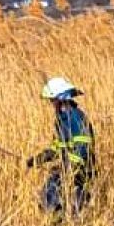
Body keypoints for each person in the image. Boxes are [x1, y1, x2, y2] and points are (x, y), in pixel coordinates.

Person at [27, 77, 96, 215]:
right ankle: (57, 225)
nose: (52, 104)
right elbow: (57, 148)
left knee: (71, 206)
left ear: (61, 98)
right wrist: (39, 159)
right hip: (68, 169)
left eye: (53, 100)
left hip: (81, 172)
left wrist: (71, 167)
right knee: (49, 197)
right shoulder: (61, 119)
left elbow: (83, 148)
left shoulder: (75, 118)